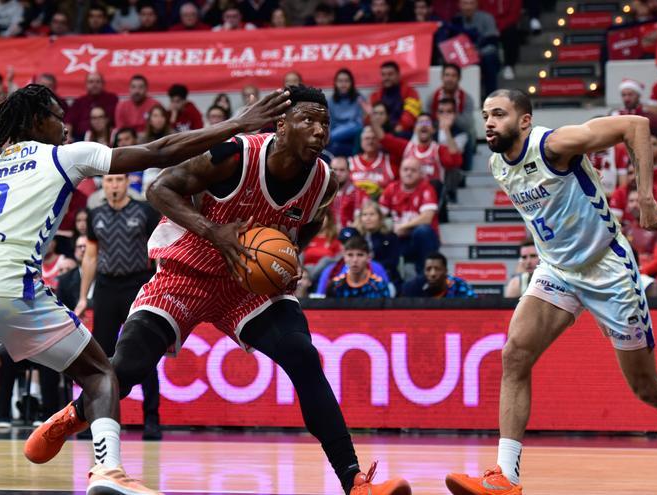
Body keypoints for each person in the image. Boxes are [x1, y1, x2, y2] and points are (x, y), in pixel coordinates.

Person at [0, 84, 291, 495]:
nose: (64, 124)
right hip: (11, 285)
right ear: (37, 121)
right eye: (57, 116)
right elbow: (159, 151)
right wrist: (237, 124)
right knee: (99, 373)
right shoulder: (64, 155)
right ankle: (107, 470)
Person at [30, 84, 411, 495]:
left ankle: (353, 480)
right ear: (280, 126)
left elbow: (309, 221)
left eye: (325, 123)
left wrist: (291, 254)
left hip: (246, 283)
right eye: (308, 120)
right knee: (129, 367)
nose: (320, 131)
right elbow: (159, 189)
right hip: (186, 269)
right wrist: (215, 232)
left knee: (303, 355)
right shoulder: (235, 155)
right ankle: (73, 415)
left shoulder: (323, 182)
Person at [445, 89, 657, 495]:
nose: (490, 122)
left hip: (608, 268)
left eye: (499, 114)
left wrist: (647, 197)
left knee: (646, 388)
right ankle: (505, 477)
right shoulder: (498, 163)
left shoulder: (552, 145)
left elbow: (635, 126)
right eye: (485, 115)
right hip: (558, 270)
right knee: (515, 354)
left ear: (525, 121)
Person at [75, 173, 163, 440]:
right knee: (98, 357)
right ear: (104, 184)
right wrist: (82, 297)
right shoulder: (95, 213)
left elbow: (159, 250)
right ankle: (92, 419)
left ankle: (152, 419)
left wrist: (160, 284)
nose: (114, 185)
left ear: (127, 183)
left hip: (137, 284)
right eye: (110, 180)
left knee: (143, 353)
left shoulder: (145, 211)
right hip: (105, 288)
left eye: (119, 180)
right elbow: (90, 256)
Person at [379, 157, 440, 273]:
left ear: (421, 173)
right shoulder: (392, 188)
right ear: (400, 171)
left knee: (423, 230)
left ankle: (425, 275)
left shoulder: (427, 188)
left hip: (420, 240)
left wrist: (403, 227)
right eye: (405, 169)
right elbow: (378, 215)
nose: (409, 173)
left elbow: (427, 218)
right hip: (397, 239)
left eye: (413, 170)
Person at [326, 235, 392, 298]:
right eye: (350, 255)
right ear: (344, 257)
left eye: (360, 255)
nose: (355, 260)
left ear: (368, 257)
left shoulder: (379, 286)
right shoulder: (335, 286)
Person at [368, 61, 421, 136]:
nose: (386, 78)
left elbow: (410, 115)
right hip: (380, 131)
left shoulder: (411, 92)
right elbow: (371, 117)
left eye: (390, 74)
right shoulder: (375, 95)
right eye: (383, 75)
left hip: (403, 131)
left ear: (398, 75)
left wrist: (397, 129)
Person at [66, 72, 119, 142]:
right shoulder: (79, 102)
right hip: (81, 138)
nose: (94, 85)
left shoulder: (112, 99)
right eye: (91, 82)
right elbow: (69, 122)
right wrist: (67, 137)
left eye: (98, 82)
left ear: (103, 84)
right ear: (86, 84)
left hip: (107, 137)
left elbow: (118, 121)